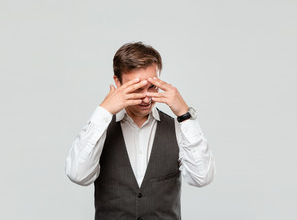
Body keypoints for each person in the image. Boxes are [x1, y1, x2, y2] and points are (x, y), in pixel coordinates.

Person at [65, 42, 216, 220]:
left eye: (152, 86)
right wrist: (103, 112)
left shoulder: (177, 127)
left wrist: (184, 115)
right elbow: (78, 175)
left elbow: (202, 177)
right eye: (137, 88)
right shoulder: (100, 129)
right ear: (117, 82)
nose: (146, 97)